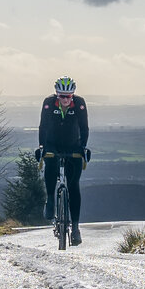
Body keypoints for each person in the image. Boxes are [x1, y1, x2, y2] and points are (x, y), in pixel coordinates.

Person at [36, 76, 89, 243]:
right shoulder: (49, 104)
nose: (65, 99)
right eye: (61, 96)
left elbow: (84, 127)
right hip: (53, 144)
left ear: (72, 95)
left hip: (73, 146)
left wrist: (83, 148)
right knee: (50, 165)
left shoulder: (80, 104)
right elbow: (43, 126)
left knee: (73, 186)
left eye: (68, 96)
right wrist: (42, 147)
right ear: (57, 95)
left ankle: (76, 227)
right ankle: (51, 199)